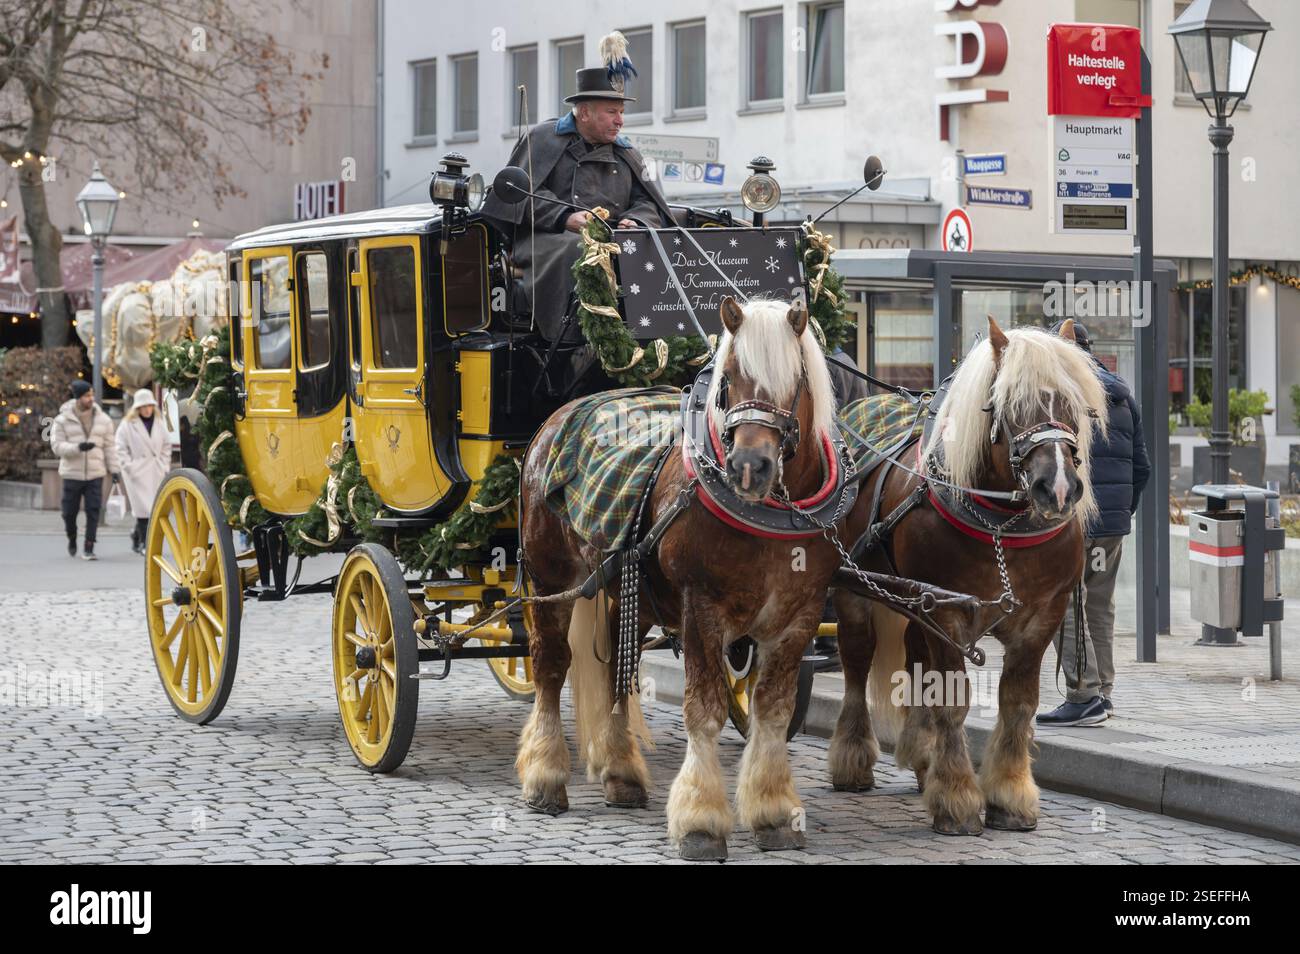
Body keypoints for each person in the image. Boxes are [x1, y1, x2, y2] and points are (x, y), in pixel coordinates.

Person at [481, 30, 673, 346]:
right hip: (547, 239)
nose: (620, 121)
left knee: (653, 251)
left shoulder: (628, 154)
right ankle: (574, 340)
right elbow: (515, 197)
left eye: (622, 112)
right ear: (584, 112)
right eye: (612, 112)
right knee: (580, 252)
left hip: (615, 239)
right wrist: (565, 217)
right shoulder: (542, 139)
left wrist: (636, 221)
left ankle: (655, 338)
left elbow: (650, 203)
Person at [1038, 321, 1150, 727]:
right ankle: (1103, 691)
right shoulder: (1122, 393)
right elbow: (1143, 466)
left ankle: (1082, 694)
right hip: (1112, 525)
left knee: (1062, 600)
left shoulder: (1063, 395)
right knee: (1099, 604)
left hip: (1075, 519)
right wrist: (1122, 513)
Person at [50, 379, 121, 560]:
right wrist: (78, 448)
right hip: (71, 473)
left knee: (93, 510)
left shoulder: (103, 420)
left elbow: (110, 447)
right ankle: (72, 536)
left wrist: (115, 470)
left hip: (95, 473)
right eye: (87, 395)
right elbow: (56, 446)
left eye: (92, 395)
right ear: (78, 398)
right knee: (68, 513)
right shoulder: (62, 420)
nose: (91, 398)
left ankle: (89, 547)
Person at [115, 388, 172, 554]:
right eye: (144, 406)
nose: (147, 409)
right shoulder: (127, 425)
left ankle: (136, 536)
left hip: (155, 470)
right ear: (137, 407)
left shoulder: (160, 423)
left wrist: (163, 464)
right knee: (142, 510)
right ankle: (147, 544)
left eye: (149, 406)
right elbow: (120, 448)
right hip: (136, 473)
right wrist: (129, 466)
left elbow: (166, 446)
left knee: (152, 509)